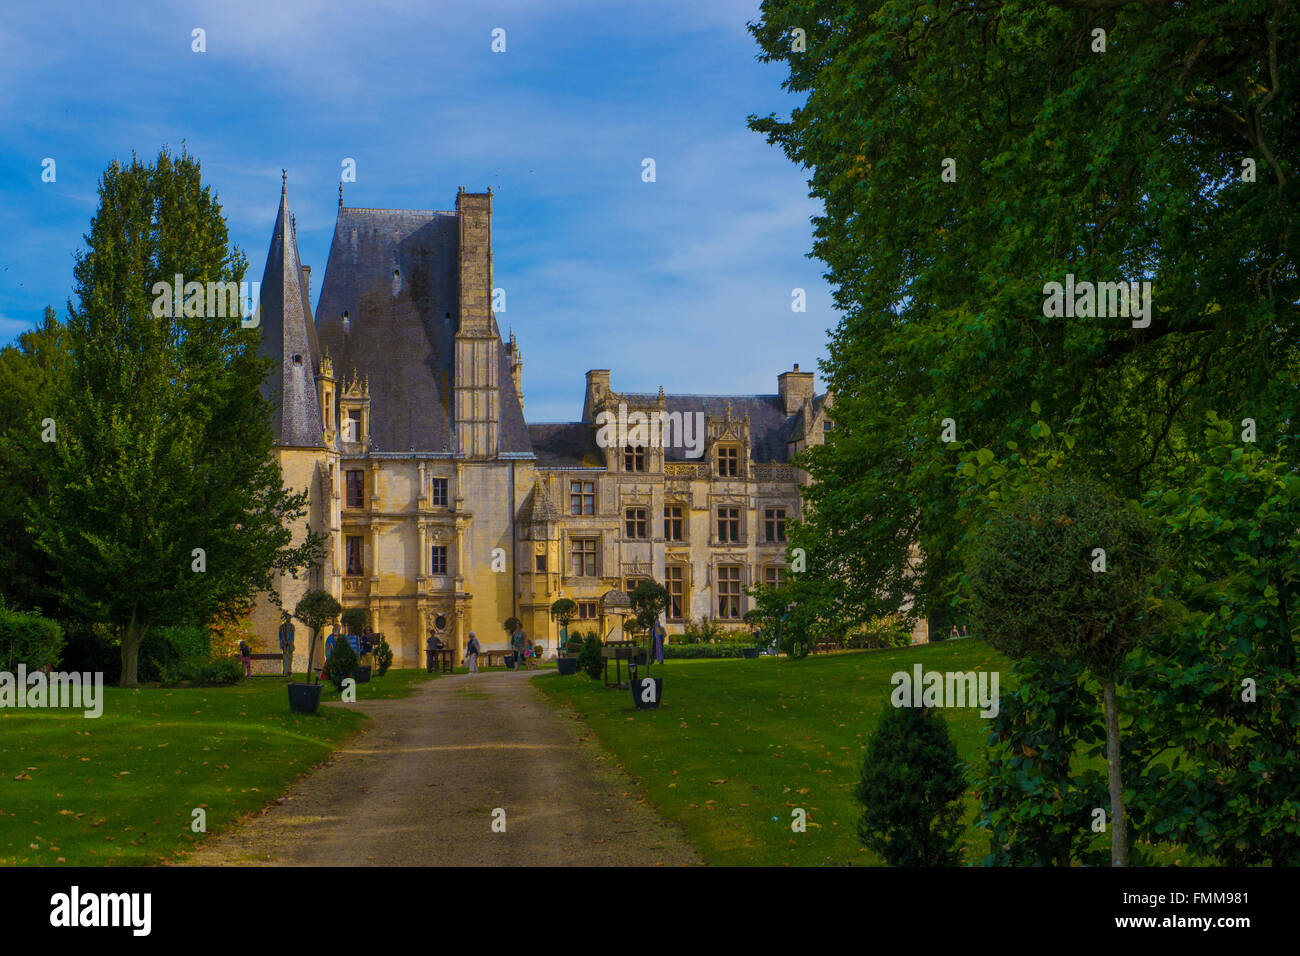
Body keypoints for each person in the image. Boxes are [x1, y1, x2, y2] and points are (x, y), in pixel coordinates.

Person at [277, 613, 295, 679]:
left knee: (290, 657)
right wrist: (284, 641)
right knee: (285, 657)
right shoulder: (282, 627)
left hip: (289, 644)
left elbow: (292, 636)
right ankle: (285, 671)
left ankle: (289, 671)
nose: (289, 619)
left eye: (289, 618)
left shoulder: (292, 626)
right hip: (284, 644)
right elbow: (280, 636)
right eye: (288, 618)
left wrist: (290, 641)